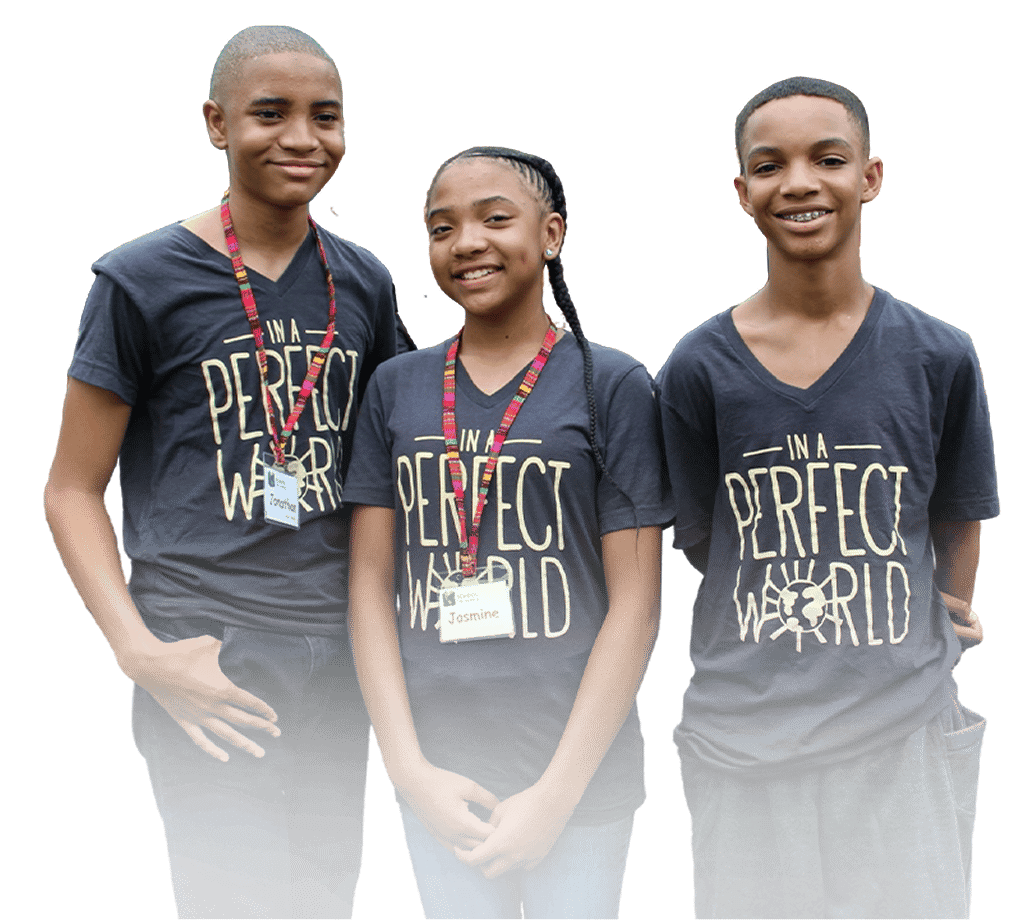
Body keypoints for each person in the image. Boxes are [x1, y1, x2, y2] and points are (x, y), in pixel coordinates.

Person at [42, 25, 411, 920]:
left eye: (326, 116)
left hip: (340, 646)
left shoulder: (364, 283)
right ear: (217, 124)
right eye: (270, 113)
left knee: (324, 902)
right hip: (205, 649)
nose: (302, 138)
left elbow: (392, 467)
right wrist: (140, 651)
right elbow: (70, 488)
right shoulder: (139, 279)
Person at [656, 76, 999, 919]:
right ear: (743, 192)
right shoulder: (696, 368)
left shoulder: (938, 356)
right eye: (769, 165)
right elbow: (705, 540)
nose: (799, 182)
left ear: (869, 178)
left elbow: (955, 521)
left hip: (901, 738)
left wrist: (917, 613)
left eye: (828, 159)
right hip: (742, 739)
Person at [343, 146, 672, 920]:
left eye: (495, 219)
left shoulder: (611, 382)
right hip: (439, 770)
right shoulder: (395, 386)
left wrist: (557, 793)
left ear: (550, 234)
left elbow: (636, 607)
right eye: (442, 228)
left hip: (577, 774)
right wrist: (406, 768)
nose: (466, 243)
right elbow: (368, 585)